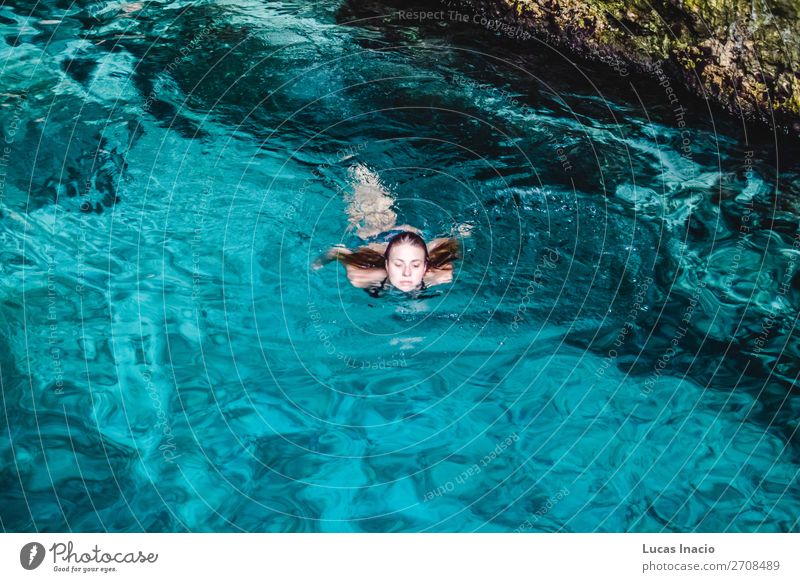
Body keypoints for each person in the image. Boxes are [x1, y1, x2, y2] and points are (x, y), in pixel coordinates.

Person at [313, 164, 471, 296]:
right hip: (373, 240)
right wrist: (318, 264)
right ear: (387, 265)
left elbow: (451, 245)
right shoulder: (360, 276)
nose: (407, 273)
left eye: (416, 266)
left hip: (412, 241)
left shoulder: (441, 275)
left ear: (425, 267)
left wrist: (459, 238)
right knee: (371, 215)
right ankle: (359, 172)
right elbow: (338, 252)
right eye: (398, 265)